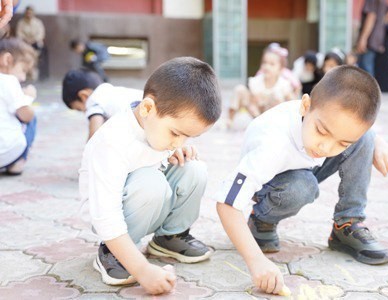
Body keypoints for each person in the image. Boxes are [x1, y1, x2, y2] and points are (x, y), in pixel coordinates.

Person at [216, 66, 388, 295]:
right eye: (321, 131)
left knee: (363, 140)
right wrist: (256, 261)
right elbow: (226, 204)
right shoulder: (273, 145)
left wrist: (375, 141)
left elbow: (351, 132)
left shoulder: (324, 128)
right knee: (303, 187)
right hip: (272, 183)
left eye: (340, 143)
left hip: (305, 167)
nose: (326, 147)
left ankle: (347, 224)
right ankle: (262, 220)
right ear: (305, 105)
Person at [79, 57, 222, 295]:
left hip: (149, 202)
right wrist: (143, 270)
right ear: (146, 108)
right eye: (176, 133)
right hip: (111, 217)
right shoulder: (112, 142)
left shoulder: (155, 123)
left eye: (188, 137)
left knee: (194, 168)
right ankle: (114, 253)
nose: (180, 142)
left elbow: (166, 148)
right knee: (152, 185)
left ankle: (169, 237)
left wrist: (176, 148)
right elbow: (106, 216)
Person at [62, 68, 142, 139]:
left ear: (84, 96)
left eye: (79, 109)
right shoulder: (112, 92)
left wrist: (89, 150)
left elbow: (95, 135)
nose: (84, 112)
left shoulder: (93, 101)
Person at [228, 43, 296, 126]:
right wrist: (254, 108)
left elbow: (292, 102)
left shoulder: (283, 84)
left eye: (272, 64)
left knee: (277, 96)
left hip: (273, 115)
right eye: (264, 63)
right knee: (240, 89)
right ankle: (229, 120)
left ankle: (270, 124)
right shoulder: (257, 81)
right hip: (257, 113)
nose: (267, 66)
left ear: (280, 69)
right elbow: (252, 102)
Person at [0, 38, 37, 175]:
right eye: (23, 70)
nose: (23, 77)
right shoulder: (9, 81)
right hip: (7, 152)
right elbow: (26, 116)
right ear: (7, 60)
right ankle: (18, 162)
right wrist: (28, 98)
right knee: (33, 117)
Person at [356, 0, 388, 76]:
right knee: (368, 69)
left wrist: (363, 38)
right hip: (376, 40)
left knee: (365, 71)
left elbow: (371, 17)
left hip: (370, 40)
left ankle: (369, 88)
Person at [16, 5, 46, 80]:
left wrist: (33, 40)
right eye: (27, 13)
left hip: (35, 43)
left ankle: (34, 72)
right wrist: (26, 40)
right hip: (25, 43)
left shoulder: (38, 22)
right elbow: (19, 34)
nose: (29, 14)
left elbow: (41, 34)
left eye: (30, 13)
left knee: (38, 50)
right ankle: (25, 72)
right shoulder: (21, 22)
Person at [374, 5, 388, 93]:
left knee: (386, 69)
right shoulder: (379, 23)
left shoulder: (387, 23)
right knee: (379, 68)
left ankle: (386, 88)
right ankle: (380, 87)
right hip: (380, 49)